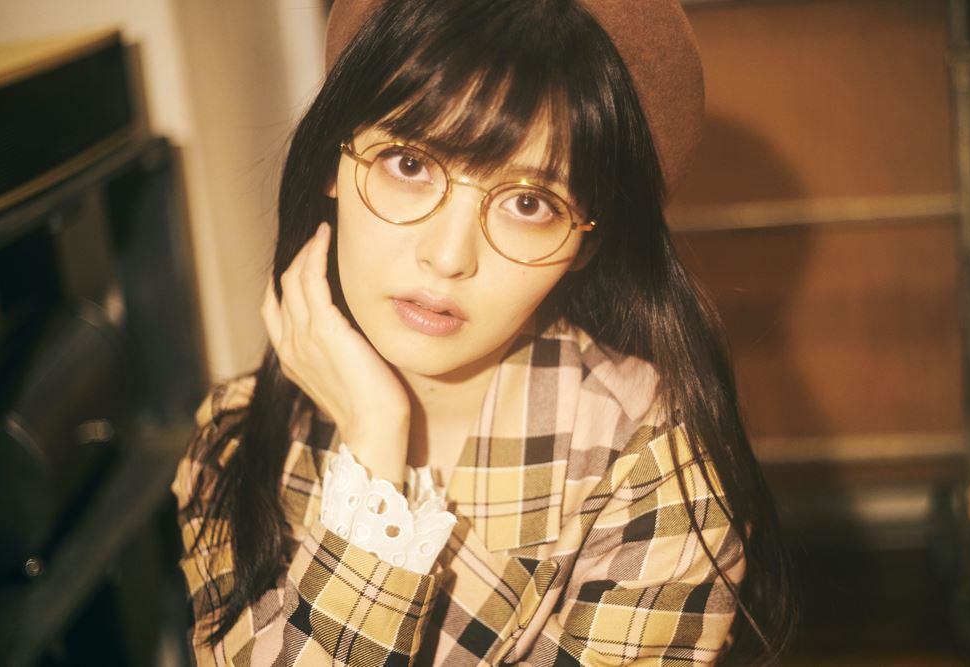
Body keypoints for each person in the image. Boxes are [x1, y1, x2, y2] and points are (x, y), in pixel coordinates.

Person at [172, 0, 795, 664]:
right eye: (409, 164)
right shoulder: (236, 438)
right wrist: (373, 438)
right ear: (332, 160)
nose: (448, 257)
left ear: (585, 242)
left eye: (529, 203)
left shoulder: (655, 467)